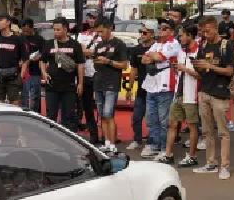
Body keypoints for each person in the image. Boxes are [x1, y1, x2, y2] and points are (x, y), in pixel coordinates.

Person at [192, 16, 234, 180]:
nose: (205, 34)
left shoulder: (226, 45)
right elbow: (200, 70)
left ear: (215, 28)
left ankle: (224, 166)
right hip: (204, 91)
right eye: (203, 31)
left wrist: (210, 66)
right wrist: (196, 66)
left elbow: (230, 71)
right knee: (207, 131)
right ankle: (211, 162)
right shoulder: (203, 45)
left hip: (220, 93)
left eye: (208, 31)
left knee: (223, 132)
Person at [155, 24, 201, 168]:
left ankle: (192, 156)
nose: (179, 38)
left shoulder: (199, 51)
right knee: (172, 123)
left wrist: (184, 69)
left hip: (191, 94)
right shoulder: (182, 51)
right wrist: (178, 69)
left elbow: (201, 75)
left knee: (192, 125)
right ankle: (168, 154)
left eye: (182, 35)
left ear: (189, 36)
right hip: (178, 92)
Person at [140, 19, 183, 160]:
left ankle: (165, 148)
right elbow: (143, 59)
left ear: (172, 31)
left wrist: (153, 57)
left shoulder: (174, 44)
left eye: (164, 28)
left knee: (164, 121)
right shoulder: (157, 43)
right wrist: (154, 57)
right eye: (160, 27)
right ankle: (155, 145)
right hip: (151, 85)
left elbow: (159, 57)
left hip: (166, 86)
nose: (160, 30)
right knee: (151, 118)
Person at [89, 17, 129, 152]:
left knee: (109, 114)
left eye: (102, 31)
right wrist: (98, 61)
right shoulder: (98, 45)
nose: (100, 34)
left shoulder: (119, 44)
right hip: (98, 82)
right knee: (102, 115)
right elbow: (95, 62)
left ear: (109, 28)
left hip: (112, 82)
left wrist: (108, 62)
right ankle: (106, 143)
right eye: (98, 32)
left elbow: (124, 65)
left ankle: (112, 145)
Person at [41, 17, 84, 131]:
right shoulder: (49, 44)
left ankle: (68, 138)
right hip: (52, 86)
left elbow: (80, 64)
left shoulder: (75, 45)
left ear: (65, 29)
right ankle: (51, 137)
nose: (55, 32)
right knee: (51, 116)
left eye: (58, 29)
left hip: (69, 86)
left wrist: (80, 83)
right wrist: (44, 72)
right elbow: (43, 60)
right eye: (54, 29)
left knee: (69, 116)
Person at [0, 14, 28, 106]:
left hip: (13, 77)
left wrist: (21, 75)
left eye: (1, 20)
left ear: (8, 22)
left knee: (15, 106)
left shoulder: (18, 39)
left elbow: (25, 59)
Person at [127, 26, 154, 150]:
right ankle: (137, 140)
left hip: (154, 89)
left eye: (144, 32)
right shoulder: (136, 50)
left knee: (151, 118)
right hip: (141, 89)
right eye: (140, 32)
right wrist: (129, 88)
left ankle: (151, 142)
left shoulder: (157, 48)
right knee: (136, 117)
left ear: (152, 34)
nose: (142, 35)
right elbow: (133, 70)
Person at [21, 20, 45, 113]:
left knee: (35, 95)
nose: (25, 33)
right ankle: (24, 114)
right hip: (23, 70)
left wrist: (37, 58)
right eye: (23, 31)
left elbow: (43, 54)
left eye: (27, 31)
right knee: (24, 95)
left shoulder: (39, 39)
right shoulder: (20, 38)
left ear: (32, 28)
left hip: (35, 70)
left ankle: (35, 114)